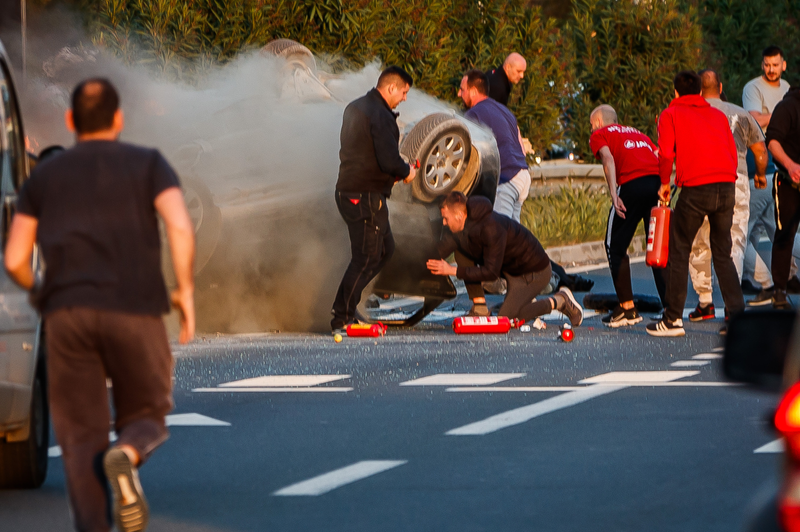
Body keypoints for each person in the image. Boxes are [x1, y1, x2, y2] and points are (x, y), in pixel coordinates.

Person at [4, 78, 196, 532]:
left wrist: (42, 292)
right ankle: (127, 452)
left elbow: (14, 257)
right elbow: (180, 225)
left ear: (70, 122)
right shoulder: (148, 164)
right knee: (147, 413)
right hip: (135, 308)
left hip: (68, 315)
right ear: (118, 119)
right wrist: (184, 289)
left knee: (79, 438)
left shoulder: (44, 176)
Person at [646, 71, 744, 337]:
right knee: (722, 252)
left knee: (680, 250)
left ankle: (672, 319)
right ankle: (736, 316)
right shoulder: (717, 115)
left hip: (696, 187)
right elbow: (731, 152)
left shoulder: (670, 114)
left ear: (675, 92)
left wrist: (665, 183)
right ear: (701, 92)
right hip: (726, 185)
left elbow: (666, 153)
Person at [331, 66, 417, 333]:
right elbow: (388, 159)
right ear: (391, 87)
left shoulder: (355, 107)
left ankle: (348, 307)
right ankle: (341, 317)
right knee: (367, 256)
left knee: (384, 250)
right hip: (364, 195)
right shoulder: (380, 115)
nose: (403, 98)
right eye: (403, 92)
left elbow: (362, 151)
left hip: (353, 192)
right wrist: (407, 171)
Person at [426, 191, 583, 326]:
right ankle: (480, 308)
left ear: (459, 215)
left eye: (446, 219)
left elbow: (491, 273)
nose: (444, 223)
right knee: (461, 251)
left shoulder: (491, 227)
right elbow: (437, 252)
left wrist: (452, 270)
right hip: (508, 269)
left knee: (508, 320)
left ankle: (559, 300)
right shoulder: (459, 229)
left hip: (533, 273)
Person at [687, 70, 768, 319]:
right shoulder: (741, 114)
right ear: (721, 87)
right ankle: (733, 306)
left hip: (700, 181)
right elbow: (760, 150)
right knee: (734, 241)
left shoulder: (691, 113)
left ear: (698, 90)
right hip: (736, 180)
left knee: (699, 242)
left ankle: (705, 303)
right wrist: (761, 174)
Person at [588, 104, 666, 327]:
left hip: (631, 184)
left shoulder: (600, 134)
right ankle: (671, 309)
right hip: (655, 184)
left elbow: (607, 158)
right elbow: (659, 155)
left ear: (600, 122)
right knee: (657, 247)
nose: (591, 129)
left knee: (615, 245)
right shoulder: (639, 134)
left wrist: (614, 192)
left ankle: (627, 308)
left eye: (592, 124)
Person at [741, 45, 800, 302]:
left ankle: (771, 283)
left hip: (779, 172)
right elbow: (754, 120)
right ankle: (780, 281)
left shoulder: (787, 91)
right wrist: (778, 114)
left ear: (783, 65)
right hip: (760, 169)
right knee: (768, 229)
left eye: (775, 65)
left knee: (750, 230)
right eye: (767, 64)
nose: (771, 69)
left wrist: (775, 115)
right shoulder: (752, 88)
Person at [459, 69, 530, 222]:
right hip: (522, 174)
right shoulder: (503, 109)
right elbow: (521, 147)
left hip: (506, 178)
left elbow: (467, 153)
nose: (459, 94)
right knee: (514, 235)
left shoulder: (474, 114)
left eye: (462, 90)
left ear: (472, 91)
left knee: (498, 232)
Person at [767, 85, 800, 309]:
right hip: (789, 182)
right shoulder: (787, 106)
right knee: (785, 234)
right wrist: (791, 165)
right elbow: (772, 141)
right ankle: (779, 290)